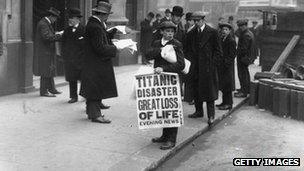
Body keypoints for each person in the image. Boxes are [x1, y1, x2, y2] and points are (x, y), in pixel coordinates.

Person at [146, 21, 185, 150]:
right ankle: (164, 135)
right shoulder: (157, 43)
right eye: (167, 31)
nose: (170, 34)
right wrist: (160, 50)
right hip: (160, 81)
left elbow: (181, 65)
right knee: (163, 107)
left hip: (171, 81)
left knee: (172, 109)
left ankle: (171, 139)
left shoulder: (177, 44)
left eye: (172, 32)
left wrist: (163, 68)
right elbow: (148, 54)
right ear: (162, 32)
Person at [80, 1, 121, 123]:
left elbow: (101, 40)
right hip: (96, 63)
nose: (107, 17)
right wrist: (116, 48)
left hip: (93, 62)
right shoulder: (96, 26)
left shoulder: (95, 24)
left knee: (94, 87)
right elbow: (100, 48)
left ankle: (91, 111)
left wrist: (111, 33)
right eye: (107, 15)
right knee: (95, 88)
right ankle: (95, 115)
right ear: (103, 15)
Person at [185, 11, 222, 125]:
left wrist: (212, 64)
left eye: (198, 21)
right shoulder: (191, 34)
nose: (196, 23)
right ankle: (199, 111)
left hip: (207, 68)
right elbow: (187, 49)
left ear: (203, 20)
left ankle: (211, 115)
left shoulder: (212, 32)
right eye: (194, 21)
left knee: (209, 92)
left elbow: (218, 51)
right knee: (196, 90)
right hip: (196, 67)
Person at [33, 7, 63, 97]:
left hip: (47, 51)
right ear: (51, 16)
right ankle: (44, 91)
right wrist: (59, 35)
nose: (56, 20)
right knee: (45, 72)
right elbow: (47, 38)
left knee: (49, 70)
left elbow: (48, 36)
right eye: (55, 18)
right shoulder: (43, 24)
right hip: (44, 52)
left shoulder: (45, 23)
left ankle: (51, 89)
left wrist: (56, 34)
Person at [61, 8, 85, 103]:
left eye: (71, 18)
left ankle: (85, 95)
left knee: (83, 78)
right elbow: (63, 44)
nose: (69, 20)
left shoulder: (84, 29)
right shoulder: (67, 31)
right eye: (69, 18)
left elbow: (86, 46)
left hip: (81, 59)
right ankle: (73, 97)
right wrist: (64, 56)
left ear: (77, 19)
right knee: (72, 78)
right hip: (70, 59)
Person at [216, 23, 236, 110]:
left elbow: (232, 55)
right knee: (224, 86)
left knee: (227, 86)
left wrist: (226, 63)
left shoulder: (231, 40)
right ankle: (224, 102)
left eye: (226, 30)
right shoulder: (222, 39)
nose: (224, 31)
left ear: (229, 31)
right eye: (223, 29)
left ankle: (229, 104)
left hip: (227, 67)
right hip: (222, 66)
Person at [234, 19, 254, 98]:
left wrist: (237, 53)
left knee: (242, 74)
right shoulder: (248, 33)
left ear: (245, 26)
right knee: (245, 73)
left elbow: (244, 48)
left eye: (241, 26)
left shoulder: (246, 35)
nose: (240, 28)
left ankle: (244, 92)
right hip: (246, 57)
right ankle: (245, 89)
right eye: (239, 26)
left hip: (243, 57)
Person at [183, 12, 196, 105]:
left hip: (192, 57)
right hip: (187, 56)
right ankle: (188, 97)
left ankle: (191, 98)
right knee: (187, 77)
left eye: (190, 20)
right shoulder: (187, 28)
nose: (188, 22)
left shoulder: (194, 30)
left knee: (191, 77)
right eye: (187, 20)